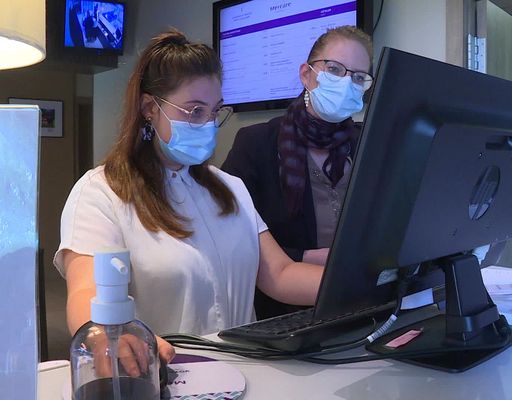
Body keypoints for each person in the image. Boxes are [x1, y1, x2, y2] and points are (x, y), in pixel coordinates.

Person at [53, 29, 323, 371]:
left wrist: (365, 287)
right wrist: (110, 334)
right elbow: (85, 293)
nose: (208, 125)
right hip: (164, 373)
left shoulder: (232, 188)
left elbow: (280, 274)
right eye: (194, 111)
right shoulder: (101, 192)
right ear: (150, 108)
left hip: (251, 371)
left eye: (214, 112)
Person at [221, 26, 373, 319]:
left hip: (362, 308)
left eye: (357, 77)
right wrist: (303, 257)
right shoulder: (255, 144)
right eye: (334, 69)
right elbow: (231, 239)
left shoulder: (368, 143)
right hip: (282, 314)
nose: (345, 83)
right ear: (306, 75)